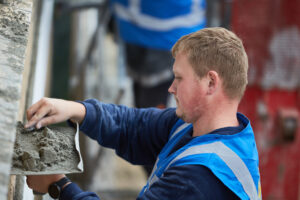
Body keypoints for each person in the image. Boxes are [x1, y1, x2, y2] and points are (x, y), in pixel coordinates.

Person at [26, 27, 262, 200]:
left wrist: (58, 186)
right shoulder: (204, 129)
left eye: (179, 78)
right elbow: (133, 127)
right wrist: (76, 110)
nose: (171, 88)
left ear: (211, 83)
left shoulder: (199, 178)